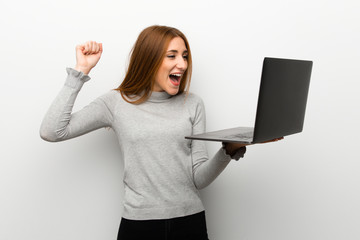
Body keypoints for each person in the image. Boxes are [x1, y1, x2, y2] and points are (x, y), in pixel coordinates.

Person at [40, 25, 282, 240]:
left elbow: (199, 179)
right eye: (172, 56)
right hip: (139, 226)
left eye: (185, 56)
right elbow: (52, 131)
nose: (183, 64)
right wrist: (79, 72)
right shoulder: (116, 102)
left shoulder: (193, 104)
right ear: (150, 59)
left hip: (191, 223)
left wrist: (228, 150)